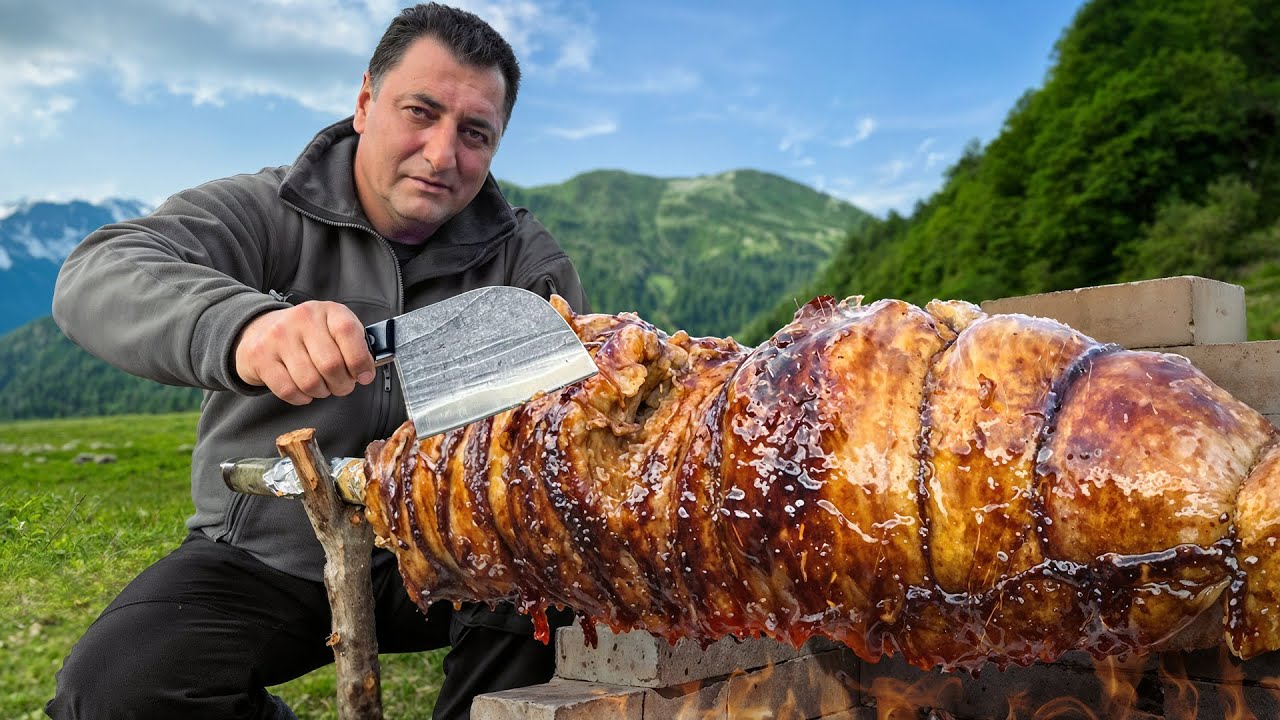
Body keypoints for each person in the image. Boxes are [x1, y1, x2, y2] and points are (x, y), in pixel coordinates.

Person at [46, 4, 587, 719]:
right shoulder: (267, 210)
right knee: (114, 690)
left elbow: (570, 423)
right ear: (365, 102)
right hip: (268, 553)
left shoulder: (525, 263)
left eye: (474, 133)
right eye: (420, 112)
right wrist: (246, 328)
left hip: (459, 556)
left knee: (560, 583)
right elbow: (99, 272)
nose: (441, 155)